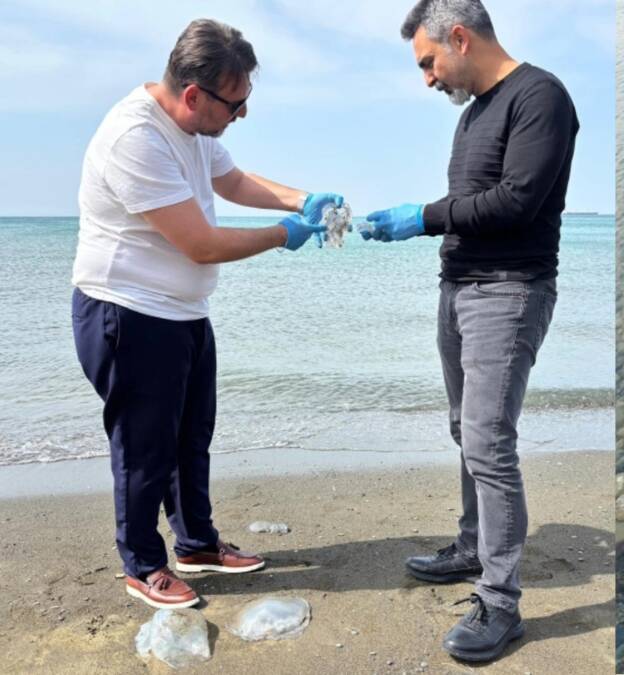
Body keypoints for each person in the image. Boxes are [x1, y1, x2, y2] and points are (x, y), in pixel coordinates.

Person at [71, 18, 344, 610]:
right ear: (195, 95)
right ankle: (143, 565)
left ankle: (196, 544)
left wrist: (302, 199)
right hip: (127, 312)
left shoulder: (194, 125)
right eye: (235, 105)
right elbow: (200, 244)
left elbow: (233, 180)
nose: (242, 115)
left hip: (183, 312)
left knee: (192, 436)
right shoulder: (134, 137)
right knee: (145, 447)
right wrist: (283, 234)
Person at [361, 0, 579, 662]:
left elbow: (517, 201)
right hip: (457, 289)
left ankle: (501, 603)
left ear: (459, 37)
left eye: (428, 62)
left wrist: (423, 217)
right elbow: (471, 206)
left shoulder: (540, 97)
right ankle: (472, 545)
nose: (427, 78)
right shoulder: (473, 114)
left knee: (489, 443)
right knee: (465, 430)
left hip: (509, 292)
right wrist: (427, 230)